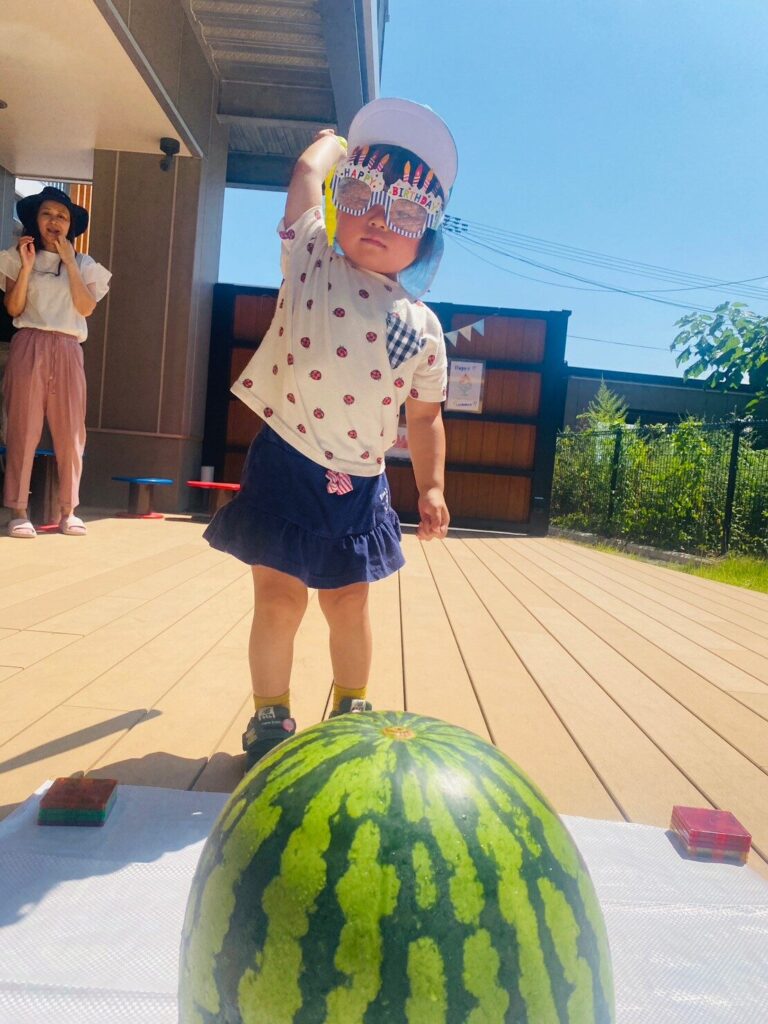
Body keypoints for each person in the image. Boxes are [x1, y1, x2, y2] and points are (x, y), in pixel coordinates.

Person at [204, 98, 458, 767]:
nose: (379, 219)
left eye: (405, 214)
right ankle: (269, 716)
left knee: (349, 604)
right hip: (286, 463)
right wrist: (332, 145)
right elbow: (303, 179)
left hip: (361, 483)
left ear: (427, 240)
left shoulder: (423, 326)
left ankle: (351, 706)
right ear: (341, 203)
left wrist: (431, 487)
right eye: (364, 198)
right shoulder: (312, 254)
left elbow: (425, 416)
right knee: (278, 599)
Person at [0, 186, 111, 537]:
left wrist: (70, 262)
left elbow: (86, 307)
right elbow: (14, 307)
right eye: (47, 214)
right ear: (35, 219)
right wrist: (27, 267)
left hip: (68, 346)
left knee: (71, 432)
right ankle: (18, 510)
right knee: (22, 429)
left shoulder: (85, 264)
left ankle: (69, 511)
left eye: (62, 216)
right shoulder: (17, 256)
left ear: (70, 225)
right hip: (29, 342)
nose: (54, 221)